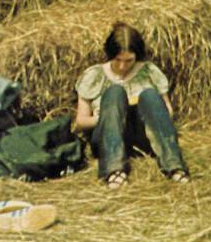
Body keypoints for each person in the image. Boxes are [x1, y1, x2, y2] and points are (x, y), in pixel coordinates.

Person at [75, 22, 190, 189]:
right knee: (114, 92)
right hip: (108, 137)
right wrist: (108, 116)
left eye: (128, 61)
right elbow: (80, 122)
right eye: (118, 60)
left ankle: (175, 167)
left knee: (149, 94)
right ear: (110, 54)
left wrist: (147, 112)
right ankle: (114, 171)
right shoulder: (95, 75)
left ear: (137, 56)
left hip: (142, 136)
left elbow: (168, 112)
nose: (122, 66)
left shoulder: (148, 72)